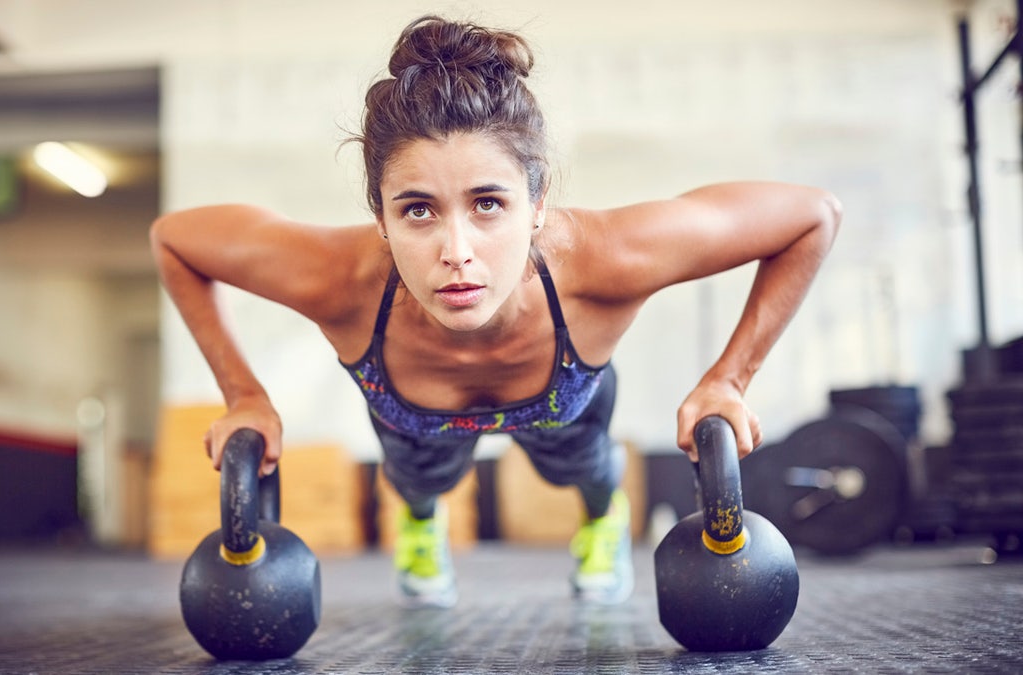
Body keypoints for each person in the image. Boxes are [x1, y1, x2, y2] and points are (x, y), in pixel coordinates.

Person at [151, 15, 841, 608]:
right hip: (412, 416)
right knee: (419, 478)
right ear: (380, 219)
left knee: (588, 466)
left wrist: (730, 378)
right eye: (417, 209)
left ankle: (602, 521)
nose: (457, 251)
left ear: (536, 204)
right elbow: (175, 240)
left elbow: (811, 217)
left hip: (561, 396)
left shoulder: (605, 259)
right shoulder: (340, 279)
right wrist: (243, 395)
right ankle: (421, 522)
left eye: (488, 204)